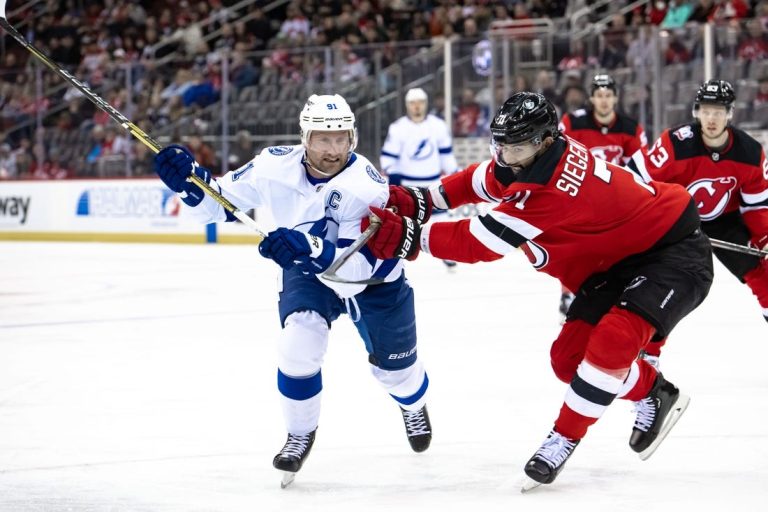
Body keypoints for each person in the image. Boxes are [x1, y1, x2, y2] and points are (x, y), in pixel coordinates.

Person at [362, 92, 713, 488]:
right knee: (568, 361)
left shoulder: (552, 188)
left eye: (515, 146)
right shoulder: (532, 155)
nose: (505, 154)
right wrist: (422, 201)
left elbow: (480, 241)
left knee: (612, 341)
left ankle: (563, 438)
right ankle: (654, 391)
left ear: (544, 141)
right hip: (618, 257)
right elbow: (483, 178)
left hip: (671, 252)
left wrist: (409, 238)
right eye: (501, 143)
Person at [153, 94, 432, 487]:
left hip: (373, 281)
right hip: (309, 272)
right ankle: (300, 432)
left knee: (397, 373)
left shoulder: (366, 185)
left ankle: (413, 404)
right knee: (297, 346)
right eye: (323, 139)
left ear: (352, 138)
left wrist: (310, 247)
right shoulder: (272, 165)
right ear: (305, 137)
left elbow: (358, 264)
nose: (334, 150)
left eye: (341, 139)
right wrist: (189, 184)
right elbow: (216, 207)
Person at [627, 79, 768, 366]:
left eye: (718, 111)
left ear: (730, 113)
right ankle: (650, 355)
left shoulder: (751, 153)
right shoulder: (675, 143)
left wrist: (765, 240)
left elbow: (756, 207)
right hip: (678, 220)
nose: (712, 118)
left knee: (763, 275)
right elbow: (635, 179)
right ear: (696, 111)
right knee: (666, 286)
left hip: (725, 221)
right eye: (706, 110)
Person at [556, 74, 649, 320]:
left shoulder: (630, 128)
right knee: (574, 247)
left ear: (616, 98)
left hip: (615, 200)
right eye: (599, 96)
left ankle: (615, 292)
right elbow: (559, 157)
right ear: (591, 98)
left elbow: (640, 170)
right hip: (580, 196)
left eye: (608, 95)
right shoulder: (572, 124)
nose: (604, 101)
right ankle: (568, 293)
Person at [380, 87, 460, 269]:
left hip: (433, 185)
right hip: (407, 186)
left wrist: (456, 174)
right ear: (407, 105)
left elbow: (446, 156)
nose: (416, 107)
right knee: (400, 226)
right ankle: (395, 261)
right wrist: (393, 174)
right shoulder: (398, 128)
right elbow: (388, 157)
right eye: (412, 103)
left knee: (443, 222)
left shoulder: (438, 126)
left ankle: (448, 254)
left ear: (425, 104)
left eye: (420, 102)